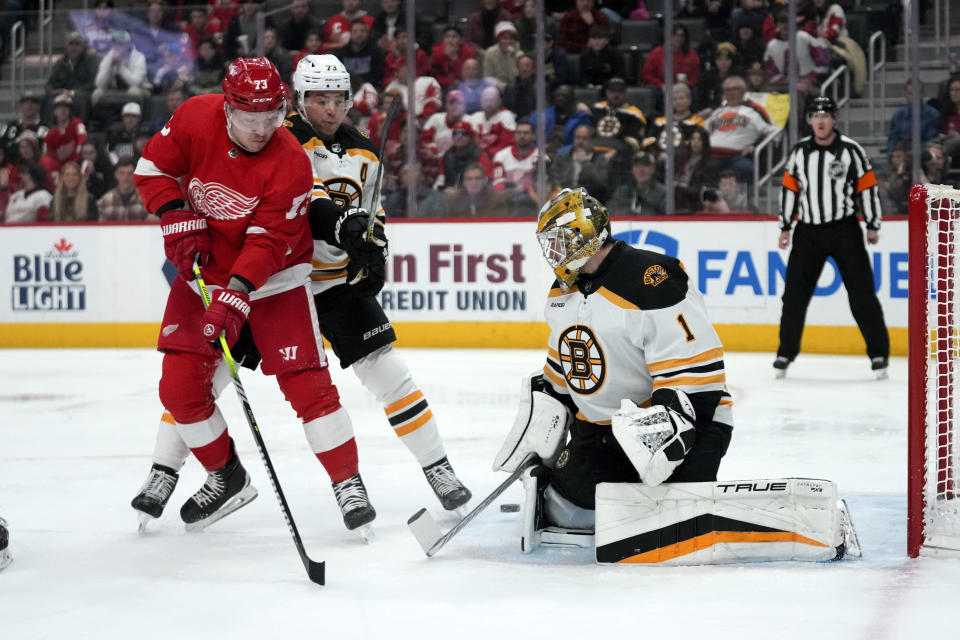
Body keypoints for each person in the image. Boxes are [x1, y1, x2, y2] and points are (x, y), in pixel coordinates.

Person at [131, 57, 378, 535]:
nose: (263, 128)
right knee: (180, 388)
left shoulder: (290, 163)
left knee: (308, 385)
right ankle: (226, 477)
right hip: (204, 272)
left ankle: (348, 482)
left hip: (277, 281)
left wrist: (237, 295)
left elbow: (267, 243)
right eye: (250, 118)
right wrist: (174, 215)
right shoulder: (193, 118)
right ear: (227, 107)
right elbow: (151, 168)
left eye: (272, 116)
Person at [283, 54, 472, 509]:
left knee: (392, 376)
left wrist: (375, 248)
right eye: (319, 99)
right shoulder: (282, 141)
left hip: (335, 284)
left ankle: (438, 468)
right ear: (299, 98)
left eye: (337, 100)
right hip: (281, 285)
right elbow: (308, 202)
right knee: (211, 376)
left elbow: (372, 211)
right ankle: (171, 470)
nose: (330, 109)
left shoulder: (364, 149)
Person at [510, 186, 733, 540]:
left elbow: (697, 378)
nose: (553, 254)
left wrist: (658, 437)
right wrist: (540, 435)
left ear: (585, 235)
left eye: (558, 242)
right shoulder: (561, 293)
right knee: (566, 511)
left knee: (670, 513)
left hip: (690, 423)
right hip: (601, 433)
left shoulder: (652, 278)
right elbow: (561, 376)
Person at [774, 96, 889, 379]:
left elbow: (868, 188)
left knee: (861, 294)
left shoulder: (851, 150)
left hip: (844, 230)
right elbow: (790, 189)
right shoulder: (800, 151)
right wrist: (785, 226)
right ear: (810, 120)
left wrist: (872, 223)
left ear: (835, 119)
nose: (821, 120)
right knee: (794, 296)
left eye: (826, 115)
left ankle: (878, 354)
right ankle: (785, 352)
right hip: (808, 232)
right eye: (815, 115)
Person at [609, 150, 667, 215]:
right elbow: (611, 212)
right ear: (632, 170)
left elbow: (668, 218)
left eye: (646, 165)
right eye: (637, 165)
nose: (641, 170)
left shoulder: (663, 193)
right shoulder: (622, 192)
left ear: (653, 169)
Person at [98, 156, 149, 221]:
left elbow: (151, 227)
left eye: (130, 173)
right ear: (116, 174)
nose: (126, 177)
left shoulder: (146, 200)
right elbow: (101, 228)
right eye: (122, 173)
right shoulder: (105, 200)